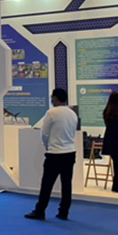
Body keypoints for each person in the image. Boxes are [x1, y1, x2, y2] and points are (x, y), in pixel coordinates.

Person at [25, 88, 78, 221]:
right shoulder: (72, 114)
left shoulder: (51, 113)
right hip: (70, 152)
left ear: (55, 98)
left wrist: (47, 145)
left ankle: (40, 211)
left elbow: (44, 133)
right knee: (67, 185)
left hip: (55, 154)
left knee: (47, 185)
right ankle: (64, 212)